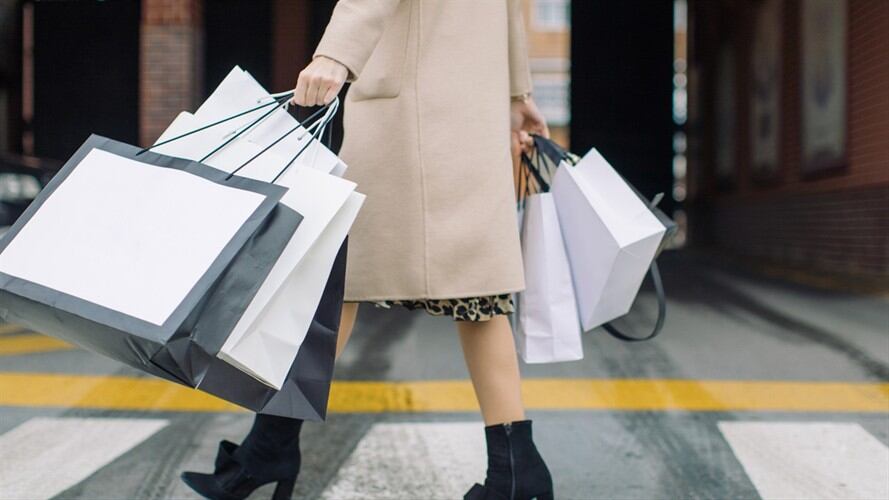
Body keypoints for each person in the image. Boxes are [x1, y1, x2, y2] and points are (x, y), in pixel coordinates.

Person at [181, 1, 553, 498]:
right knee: (475, 291)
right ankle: (518, 472)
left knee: (338, 280)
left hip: (410, 113)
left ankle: (269, 447)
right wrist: (516, 93)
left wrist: (336, 54)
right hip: (467, 105)